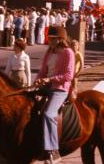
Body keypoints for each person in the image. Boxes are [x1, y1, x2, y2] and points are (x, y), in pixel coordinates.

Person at [34, 26, 75, 163]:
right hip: (46, 86)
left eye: (52, 38)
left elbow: (69, 76)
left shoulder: (68, 52)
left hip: (60, 88)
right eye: (49, 38)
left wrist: (50, 79)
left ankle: (53, 150)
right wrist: (37, 81)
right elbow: (42, 70)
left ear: (60, 39)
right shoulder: (49, 52)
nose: (49, 40)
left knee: (49, 114)